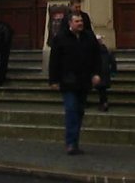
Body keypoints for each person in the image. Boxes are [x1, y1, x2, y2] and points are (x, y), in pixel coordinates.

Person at [48, 10, 101, 156]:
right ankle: (71, 143)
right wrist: (53, 80)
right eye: (77, 21)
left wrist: (96, 74)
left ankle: (74, 142)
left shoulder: (89, 37)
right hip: (68, 81)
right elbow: (54, 61)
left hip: (84, 81)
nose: (80, 24)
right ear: (70, 23)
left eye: (81, 21)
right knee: (71, 110)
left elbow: (97, 57)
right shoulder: (60, 38)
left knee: (79, 111)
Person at [94, 35, 116, 112]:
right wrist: (113, 71)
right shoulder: (107, 51)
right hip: (105, 72)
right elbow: (113, 62)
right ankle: (103, 103)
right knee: (102, 89)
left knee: (101, 89)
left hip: (98, 72)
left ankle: (103, 103)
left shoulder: (94, 51)